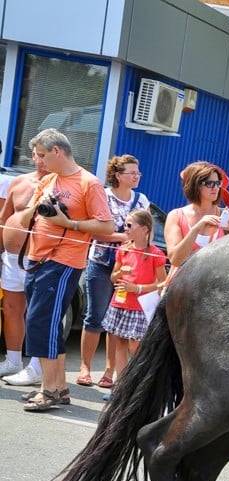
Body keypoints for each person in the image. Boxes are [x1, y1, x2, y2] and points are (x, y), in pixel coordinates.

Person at [14, 129, 114, 411]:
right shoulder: (47, 180)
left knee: (40, 323)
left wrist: (68, 223)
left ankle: (47, 391)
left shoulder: (88, 183)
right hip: (37, 258)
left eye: (44, 155)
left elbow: (107, 227)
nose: (40, 161)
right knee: (47, 324)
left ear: (57, 151)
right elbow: (22, 221)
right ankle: (58, 387)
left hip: (64, 262)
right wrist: (36, 208)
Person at [76, 154, 150, 389]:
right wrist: (121, 237)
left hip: (129, 267)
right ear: (118, 176)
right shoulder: (103, 196)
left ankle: (109, 371)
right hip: (101, 262)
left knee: (116, 320)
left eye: (138, 172)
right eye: (132, 173)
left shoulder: (141, 200)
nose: (137, 176)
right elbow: (94, 231)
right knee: (95, 316)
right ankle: (85, 367)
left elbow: (146, 232)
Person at [0, 139, 47, 386]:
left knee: (37, 314)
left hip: (39, 260)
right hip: (9, 257)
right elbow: (4, 217)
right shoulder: (18, 182)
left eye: (45, 154)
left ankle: (36, 366)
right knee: (11, 309)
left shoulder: (59, 185)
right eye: (37, 154)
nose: (41, 159)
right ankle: (13, 359)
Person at [101, 208, 166, 379]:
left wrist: (137, 288)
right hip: (120, 303)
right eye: (125, 224)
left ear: (144, 229)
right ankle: (121, 384)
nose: (125, 228)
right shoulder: (123, 250)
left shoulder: (155, 254)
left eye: (129, 225)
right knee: (120, 343)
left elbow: (162, 283)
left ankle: (136, 381)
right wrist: (121, 272)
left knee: (135, 346)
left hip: (139, 307)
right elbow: (113, 278)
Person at [163, 161, 229, 272]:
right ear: (195, 185)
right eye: (209, 183)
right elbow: (175, 260)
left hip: (215, 286)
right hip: (181, 286)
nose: (216, 188)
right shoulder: (176, 216)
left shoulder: (226, 217)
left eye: (218, 183)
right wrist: (196, 229)